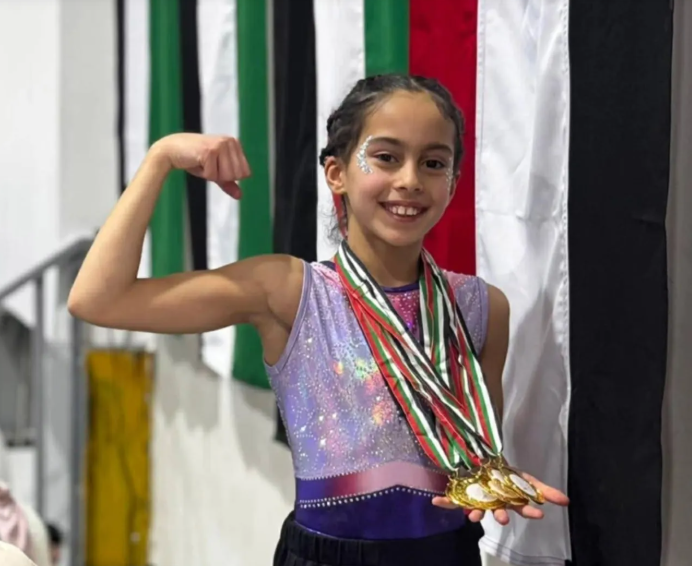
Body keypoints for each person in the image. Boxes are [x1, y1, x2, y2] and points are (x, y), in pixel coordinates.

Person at [68, 74, 568, 566]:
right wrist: (159, 159)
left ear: (453, 183)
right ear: (336, 173)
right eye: (386, 157)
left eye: (433, 163)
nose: (410, 180)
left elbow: (472, 456)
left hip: (446, 554)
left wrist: (497, 482)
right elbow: (99, 299)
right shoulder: (289, 293)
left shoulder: (480, 308)